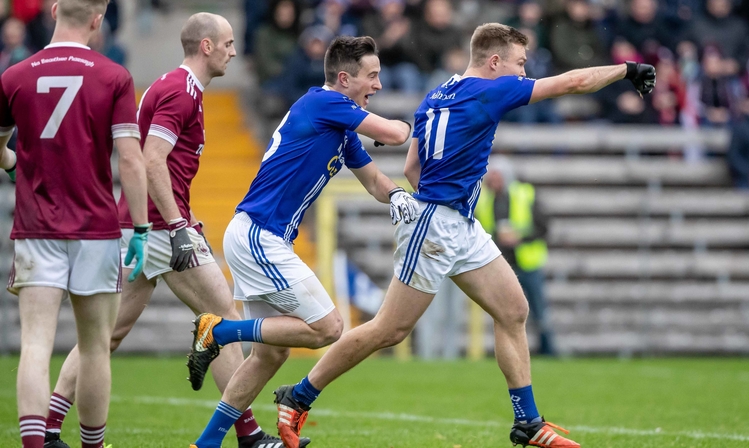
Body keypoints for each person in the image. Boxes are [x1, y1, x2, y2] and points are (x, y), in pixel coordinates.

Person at [271, 23, 655, 448]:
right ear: (495, 62)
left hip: (458, 225)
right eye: (520, 64)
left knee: (512, 310)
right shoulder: (490, 90)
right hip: (437, 224)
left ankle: (528, 423)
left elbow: (414, 168)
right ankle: (299, 395)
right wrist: (627, 69)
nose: (524, 73)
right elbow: (574, 81)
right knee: (389, 329)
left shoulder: (437, 94)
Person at [41, 12, 282, 448]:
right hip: (158, 231)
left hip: (145, 226)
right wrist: (176, 225)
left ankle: (50, 429)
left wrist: (182, 214)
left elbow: (160, 164)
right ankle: (247, 435)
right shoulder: (181, 91)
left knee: (106, 335)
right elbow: (152, 159)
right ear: (205, 46)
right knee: (224, 319)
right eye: (227, 43)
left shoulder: (179, 88)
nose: (233, 50)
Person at [186, 35, 418, 448]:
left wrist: (397, 194)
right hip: (260, 233)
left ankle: (206, 442)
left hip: (261, 234)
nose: (378, 85)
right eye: (373, 76)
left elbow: (374, 181)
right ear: (344, 79)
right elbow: (397, 133)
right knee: (328, 327)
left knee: (271, 354)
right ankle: (218, 332)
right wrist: (417, 121)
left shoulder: (338, 123)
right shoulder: (324, 102)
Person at [0, 0, 150, 447]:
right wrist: (140, 229)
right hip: (95, 230)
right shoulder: (113, 76)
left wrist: (14, 165)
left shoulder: (14, 76)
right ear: (98, 18)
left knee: (35, 345)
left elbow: (0, 149)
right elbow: (130, 159)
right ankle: (92, 445)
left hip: (35, 227)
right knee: (93, 347)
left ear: (53, 11)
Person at [476, 160, 556, 356]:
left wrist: (519, 238)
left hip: (527, 263)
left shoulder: (525, 194)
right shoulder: (483, 198)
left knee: (538, 310)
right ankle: (514, 350)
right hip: (502, 265)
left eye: (497, 176)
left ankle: (548, 349)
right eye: (491, 177)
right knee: (507, 312)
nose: (493, 181)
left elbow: (543, 227)